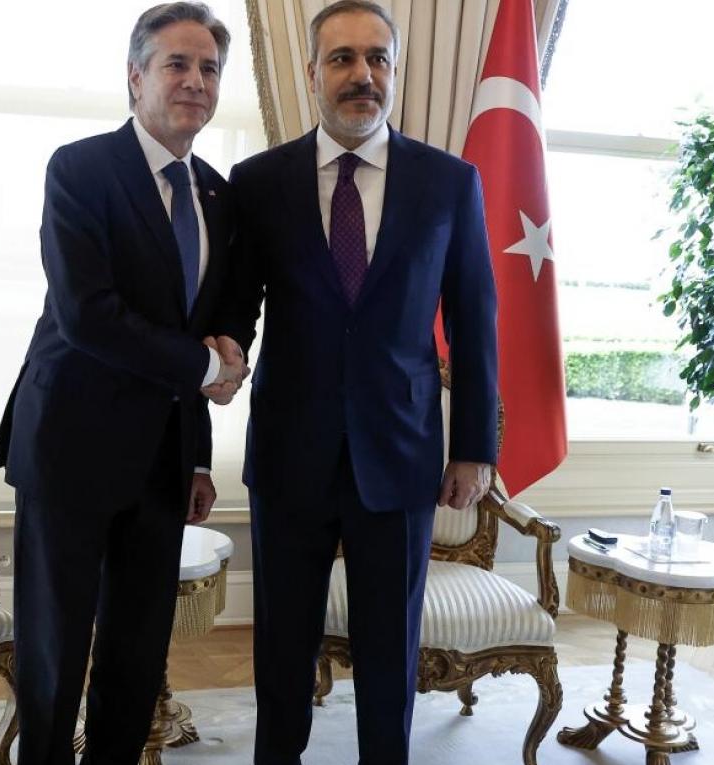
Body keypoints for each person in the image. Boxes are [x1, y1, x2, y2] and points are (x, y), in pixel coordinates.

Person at [213, 1, 498, 762]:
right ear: (312, 72)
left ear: (395, 72)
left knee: (389, 650)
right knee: (282, 648)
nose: (362, 75)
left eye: (377, 58)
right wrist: (223, 355)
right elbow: (237, 305)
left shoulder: (449, 183)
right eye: (342, 58)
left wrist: (474, 448)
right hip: (289, 451)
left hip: (400, 454)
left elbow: (475, 320)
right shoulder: (259, 182)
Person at [0, 4, 245, 763]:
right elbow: (88, 316)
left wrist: (199, 454)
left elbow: (207, 325)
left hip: (164, 457)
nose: (195, 81)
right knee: (54, 652)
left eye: (209, 69)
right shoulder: (80, 169)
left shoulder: (219, 195)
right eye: (177, 64)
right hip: (70, 443)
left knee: (137, 652)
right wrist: (208, 368)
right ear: (135, 77)